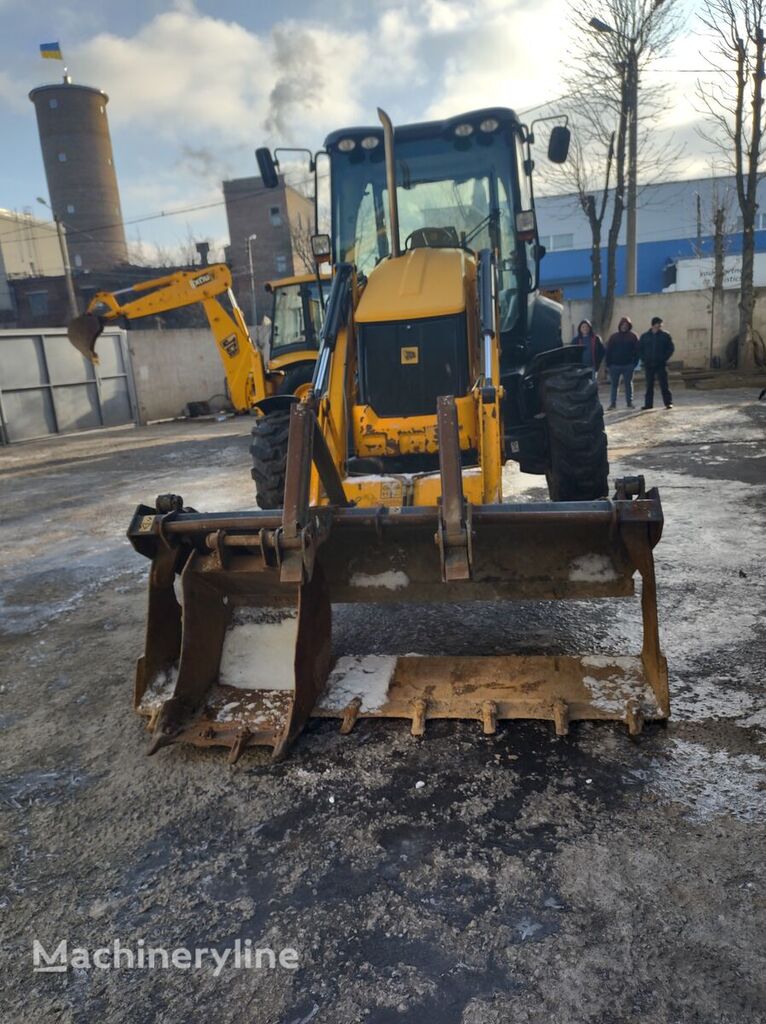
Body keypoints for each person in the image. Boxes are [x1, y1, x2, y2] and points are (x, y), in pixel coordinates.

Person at [638, 316, 674, 410]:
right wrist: (644, 359)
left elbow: (670, 348)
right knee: (649, 385)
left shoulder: (665, 335)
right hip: (649, 364)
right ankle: (648, 404)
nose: (660, 326)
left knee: (664, 384)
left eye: (661, 325)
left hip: (661, 364)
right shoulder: (645, 336)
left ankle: (668, 403)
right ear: (654, 324)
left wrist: (664, 358)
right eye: (659, 324)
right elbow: (639, 349)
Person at [605, 316, 639, 409]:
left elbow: (637, 351)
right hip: (614, 365)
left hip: (628, 365)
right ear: (620, 325)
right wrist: (608, 364)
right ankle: (613, 403)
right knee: (614, 385)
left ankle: (629, 402)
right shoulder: (614, 337)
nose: (624, 326)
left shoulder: (633, 337)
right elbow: (608, 351)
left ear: (629, 326)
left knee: (628, 384)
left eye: (626, 325)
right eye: (623, 325)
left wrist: (634, 363)